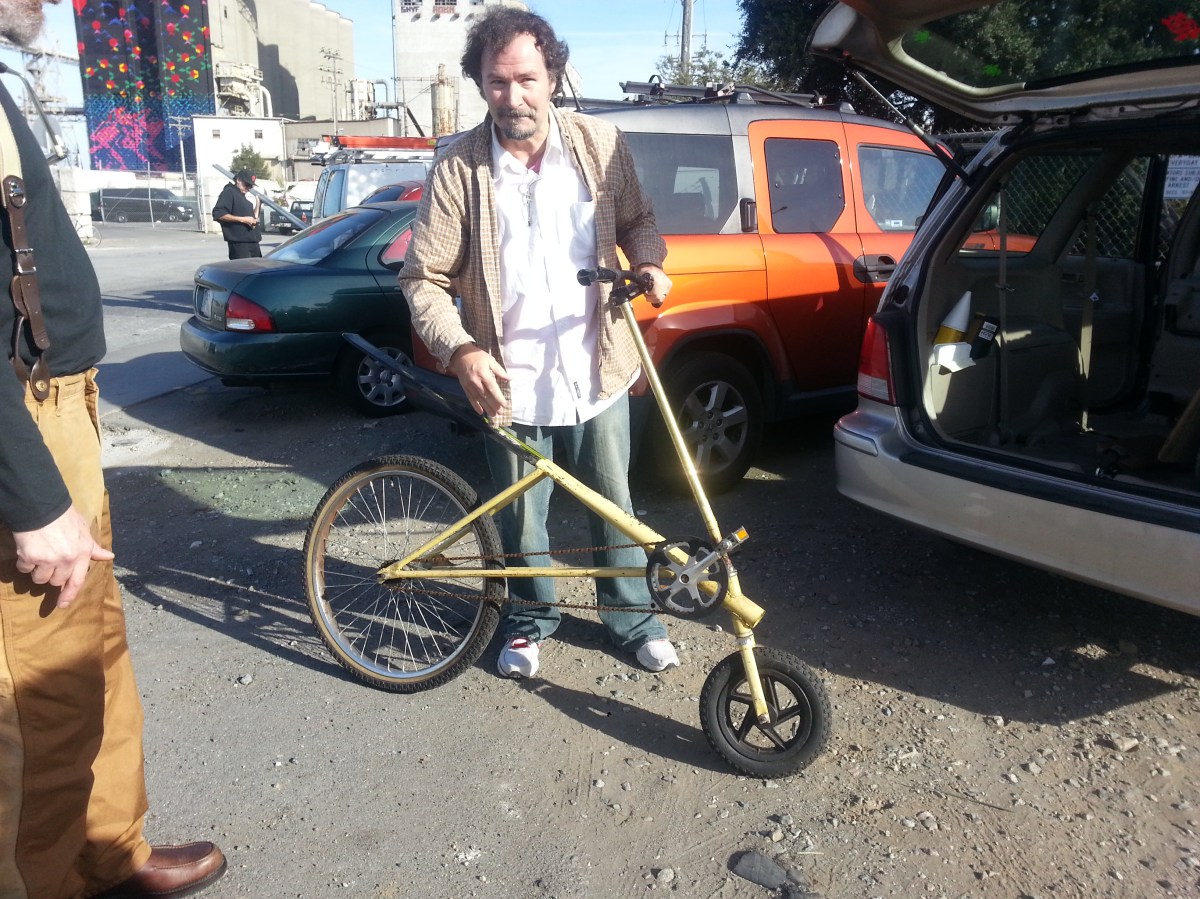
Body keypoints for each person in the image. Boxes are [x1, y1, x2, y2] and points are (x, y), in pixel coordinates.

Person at [0, 3, 226, 897]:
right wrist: (29, 494)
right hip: (27, 426)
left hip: (61, 403)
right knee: (41, 703)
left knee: (94, 653)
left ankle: (108, 853)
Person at [399, 7, 680, 679]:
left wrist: (649, 262)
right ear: (481, 85)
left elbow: (639, 220)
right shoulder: (458, 168)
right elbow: (422, 278)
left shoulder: (599, 144)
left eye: (526, 79)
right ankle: (529, 622)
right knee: (523, 519)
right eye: (497, 82)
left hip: (596, 368)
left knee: (614, 505)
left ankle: (633, 619)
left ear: (552, 77)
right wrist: (461, 349)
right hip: (509, 381)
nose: (513, 96)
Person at [212, 169, 262, 259]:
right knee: (243, 267)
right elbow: (218, 214)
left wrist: (258, 204)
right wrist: (243, 220)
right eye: (247, 184)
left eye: (251, 186)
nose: (249, 188)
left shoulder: (242, 197)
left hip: (253, 242)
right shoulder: (229, 192)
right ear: (238, 180)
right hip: (240, 245)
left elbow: (253, 219)